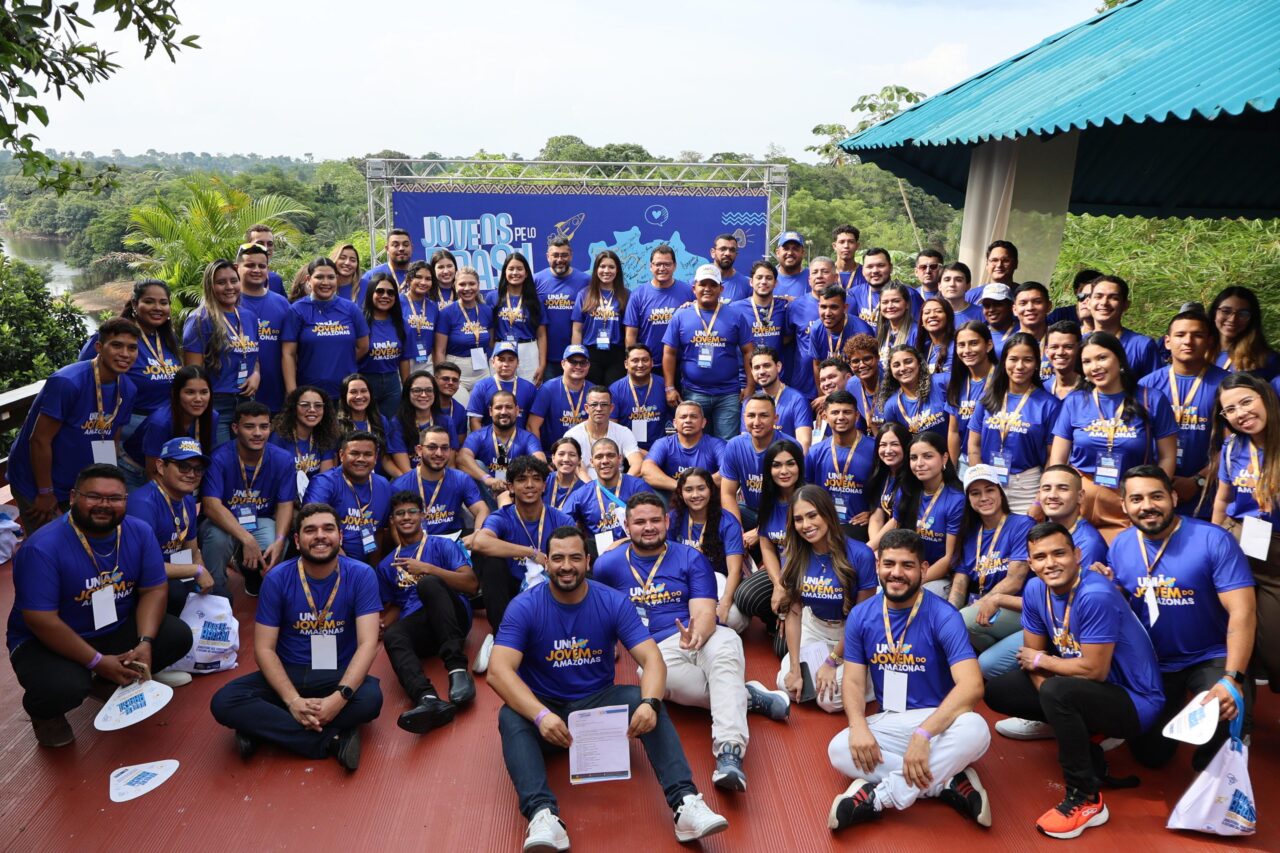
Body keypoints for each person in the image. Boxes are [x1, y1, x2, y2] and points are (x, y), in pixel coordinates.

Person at [488, 526, 729, 850]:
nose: (566, 565)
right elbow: (498, 671)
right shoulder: (525, 606)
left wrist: (650, 704)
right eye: (557, 558)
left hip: (598, 712)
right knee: (510, 717)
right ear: (546, 563)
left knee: (640, 698)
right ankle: (542, 815)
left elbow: (653, 660)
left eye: (575, 557)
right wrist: (541, 715)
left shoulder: (612, 601)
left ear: (588, 561)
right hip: (547, 713)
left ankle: (685, 803)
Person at [594, 493, 789, 792]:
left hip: (701, 634)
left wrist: (697, 633)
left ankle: (728, 753)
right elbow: (598, 610)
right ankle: (747, 696)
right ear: (627, 526)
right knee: (650, 678)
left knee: (727, 646)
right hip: (654, 651)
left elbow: (705, 611)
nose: (648, 527)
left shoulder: (689, 557)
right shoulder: (607, 566)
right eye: (640, 522)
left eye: (655, 520)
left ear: (667, 522)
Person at [984, 522, 1164, 840]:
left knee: (1056, 690)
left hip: (1135, 701)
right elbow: (1031, 654)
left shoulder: (1095, 594)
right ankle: (1080, 730)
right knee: (999, 690)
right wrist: (1051, 691)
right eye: (1040, 557)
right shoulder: (1037, 589)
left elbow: (1093, 670)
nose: (1050, 563)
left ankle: (1086, 799)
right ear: (1031, 562)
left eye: (1058, 553)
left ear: (1077, 554)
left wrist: (1045, 666)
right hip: (1081, 685)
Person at [8, 464, 194, 747]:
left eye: (115, 498)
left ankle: (107, 680)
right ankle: (45, 714)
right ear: (72, 497)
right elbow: (41, 621)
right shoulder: (42, 548)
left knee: (176, 636)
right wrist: (96, 661)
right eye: (93, 496)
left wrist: (144, 641)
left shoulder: (139, 532)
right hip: (45, 641)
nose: (104, 505)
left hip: (108, 625)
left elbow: (154, 588)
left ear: (125, 501)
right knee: (64, 687)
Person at [827, 528, 991, 832]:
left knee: (977, 728)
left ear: (924, 569)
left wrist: (923, 735)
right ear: (877, 566)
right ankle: (946, 782)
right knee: (838, 748)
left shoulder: (944, 616)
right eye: (889, 564)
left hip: (937, 724)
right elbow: (851, 681)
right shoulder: (862, 616)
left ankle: (882, 795)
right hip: (890, 720)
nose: (896, 573)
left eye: (907, 565)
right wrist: (858, 725)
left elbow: (972, 685)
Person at [210, 502, 383, 770]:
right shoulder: (277, 578)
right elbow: (264, 649)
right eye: (310, 530)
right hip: (288, 672)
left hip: (335, 671)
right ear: (297, 540)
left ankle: (263, 729)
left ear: (340, 535)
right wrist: (292, 701)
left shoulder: (362, 575)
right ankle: (331, 740)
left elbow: (368, 643)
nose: (320, 536)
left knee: (370, 699)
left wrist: (338, 698)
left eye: (328, 529)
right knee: (224, 701)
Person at [1109, 466, 1256, 770]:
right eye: (1136, 499)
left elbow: (1243, 611)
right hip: (1154, 662)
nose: (1147, 505)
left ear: (1174, 497)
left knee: (1224, 708)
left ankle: (1223, 755)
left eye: (1156, 496)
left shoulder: (1212, 539)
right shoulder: (1121, 545)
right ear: (1124, 505)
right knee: (1151, 756)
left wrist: (1233, 679)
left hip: (1210, 655)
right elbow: (1118, 600)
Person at [1049, 332, 1177, 540]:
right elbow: (1057, 460)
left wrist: (1150, 495)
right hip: (1080, 497)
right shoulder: (1074, 401)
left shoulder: (1151, 398)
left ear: (1119, 358)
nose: (1095, 367)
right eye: (1087, 362)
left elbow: (1167, 457)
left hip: (1128, 497)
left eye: (1102, 358)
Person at [377, 490, 479, 734]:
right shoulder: (386, 564)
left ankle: (457, 670)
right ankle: (427, 699)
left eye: (412, 511)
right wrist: (380, 626)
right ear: (392, 520)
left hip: (454, 619)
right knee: (394, 635)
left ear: (422, 515)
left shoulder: (443, 545)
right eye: (399, 513)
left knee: (428, 584)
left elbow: (471, 584)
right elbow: (396, 608)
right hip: (423, 629)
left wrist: (428, 568)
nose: (406, 517)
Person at [776, 486, 878, 713]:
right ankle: (819, 674)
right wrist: (794, 668)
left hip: (852, 633)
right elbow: (794, 614)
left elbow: (860, 619)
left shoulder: (860, 554)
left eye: (813, 515)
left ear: (828, 514)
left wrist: (832, 662)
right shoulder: (793, 554)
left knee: (828, 701)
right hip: (816, 627)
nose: (806, 525)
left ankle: (871, 678)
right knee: (787, 683)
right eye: (799, 519)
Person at [1210, 373, 1280, 699]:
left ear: (1265, 397)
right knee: (1233, 634)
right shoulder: (1232, 447)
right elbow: (1223, 499)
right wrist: (1213, 542)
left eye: (1246, 401)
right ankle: (1241, 721)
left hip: (1275, 550)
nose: (1241, 413)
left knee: (1272, 646)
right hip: (1238, 541)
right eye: (1231, 409)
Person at [471, 455, 575, 673]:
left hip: (549, 590)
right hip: (511, 593)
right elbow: (479, 541)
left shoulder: (560, 519)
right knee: (490, 562)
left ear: (544, 485)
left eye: (536, 479)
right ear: (510, 486)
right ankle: (502, 639)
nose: (529, 485)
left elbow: (573, 555)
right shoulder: (502, 517)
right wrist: (530, 552)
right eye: (521, 479)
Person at [79, 279, 181, 485]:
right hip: (123, 430)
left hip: (161, 429)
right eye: (150, 301)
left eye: (163, 302)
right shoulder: (115, 337)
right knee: (115, 488)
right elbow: (86, 377)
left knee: (156, 493)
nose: (158, 308)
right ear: (135, 304)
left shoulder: (168, 339)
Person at [199, 401, 297, 596]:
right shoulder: (219, 457)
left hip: (260, 520)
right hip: (222, 522)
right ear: (235, 428)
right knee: (217, 539)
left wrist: (279, 540)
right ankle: (214, 594)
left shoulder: (284, 459)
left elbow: (285, 505)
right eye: (249, 426)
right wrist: (247, 539)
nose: (258, 433)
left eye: (264, 426)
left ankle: (252, 579)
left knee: (273, 543)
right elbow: (211, 506)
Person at [1138, 309, 1228, 518]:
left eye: (1197, 335)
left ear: (1210, 342)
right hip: (1154, 491)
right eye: (1180, 335)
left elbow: (1234, 445)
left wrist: (1198, 480)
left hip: (1207, 493)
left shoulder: (1226, 385)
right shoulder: (1146, 385)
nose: (1188, 341)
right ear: (1167, 342)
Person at [127, 437, 226, 619]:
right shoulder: (143, 504)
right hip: (142, 582)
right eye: (183, 466)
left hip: (175, 570)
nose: (191, 474)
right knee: (176, 593)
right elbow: (142, 566)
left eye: (198, 469)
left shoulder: (187, 499)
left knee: (221, 595)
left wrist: (202, 576)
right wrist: (197, 571)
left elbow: (193, 551)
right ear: (160, 466)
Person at [949, 466, 1034, 666]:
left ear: (1000, 492)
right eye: (975, 493)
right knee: (953, 619)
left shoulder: (1022, 524)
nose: (984, 497)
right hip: (985, 609)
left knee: (963, 620)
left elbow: (1015, 580)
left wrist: (982, 604)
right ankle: (1004, 654)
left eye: (990, 490)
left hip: (1015, 606)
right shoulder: (970, 534)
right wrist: (949, 613)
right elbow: (960, 582)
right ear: (968, 499)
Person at [967, 332, 1061, 513]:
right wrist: (981, 483)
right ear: (1004, 362)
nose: (1019, 366)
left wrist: (1039, 500)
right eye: (1013, 359)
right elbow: (974, 445)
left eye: (1027, 360)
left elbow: (1052, 457)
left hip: (1027, 488)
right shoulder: (987, 400)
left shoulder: (1049, 405)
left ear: (1036, 364)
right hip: (989, 485)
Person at [662, 263, 755, 441]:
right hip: (693, 391)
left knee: (727, 444)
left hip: (728, 393)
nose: (707, 289)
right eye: (703, 284)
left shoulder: (735, 315)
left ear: (721, 288)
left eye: (713, 285)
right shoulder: (681, 315)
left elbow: (748, 352)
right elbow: (669, 353)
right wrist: (669, 387)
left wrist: (750, 386)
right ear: (694, 288)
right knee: (696, 442)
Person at [730, 440, 805, 655]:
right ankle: (777, 617)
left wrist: (789, 596)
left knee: (783, 650)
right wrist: (779, 585)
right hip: (782, 572)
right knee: (744, 596)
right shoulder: (769, 499)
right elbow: (767, 545)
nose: (784, 471)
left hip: (806, 576)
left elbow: (814, 555)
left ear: (799, 466)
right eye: (776, 465)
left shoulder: (809, 498)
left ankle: (791, 617)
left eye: (790, 464)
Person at [183, 260, 260, 445]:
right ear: (210, 286)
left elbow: (253, 356)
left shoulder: (248, 316)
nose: (229, 287)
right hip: (216, 405)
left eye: (234, 281)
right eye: (221, 282)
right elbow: (193, 374)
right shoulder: (200, 320)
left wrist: (256, 373)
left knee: (241, 461)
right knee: (219, 460)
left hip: (245, 402)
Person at [884, 432, 964, 595]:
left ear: (944, 458)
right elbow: (895, 530)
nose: (919, 463)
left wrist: (915, 580)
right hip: (904, 569)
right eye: (914, 458)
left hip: (938, 575)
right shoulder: (906, 491)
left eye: (927, 456)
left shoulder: (956, 499)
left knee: (921, 598)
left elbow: (949, 558)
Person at [668, 467, 747, 628]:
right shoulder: (673, 518)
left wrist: (725, 604)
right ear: (681, 493)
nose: (695, 495)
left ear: (711, 490)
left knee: (733, 618)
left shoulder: (728, 522)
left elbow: (735, 570)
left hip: (719, 582)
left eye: (701, 488)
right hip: (683, 581)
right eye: (689, 490)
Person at [282, 258, 371, 401]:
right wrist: (292, 393)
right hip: (310, 393)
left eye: (330, 277)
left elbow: (363, 346)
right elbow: (288, 354)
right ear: (308, 279)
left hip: (346, 393)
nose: (325, 282)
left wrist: (341, 361)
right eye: (319, 277)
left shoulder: (351, 309)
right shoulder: (297, 310)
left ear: (337, 279)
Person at [304, 431, 393, 562]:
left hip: (365, 565)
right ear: (341, 455)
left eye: (368, 454)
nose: (361, 459)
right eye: (354, 453)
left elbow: (379, 532)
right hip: (330, 561)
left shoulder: (383, 485)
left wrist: (373, 570)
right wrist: (350, 569)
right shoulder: (324, 483)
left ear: (375, 458)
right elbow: (313, 526)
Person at [390, 424, 487, 541]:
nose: (439, 453)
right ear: (419, 450)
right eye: (432, 447)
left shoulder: (461, 479)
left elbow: (482, 510)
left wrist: (476, 535)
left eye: (445, 448)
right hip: (417, 544)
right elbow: (394, 527)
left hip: (454, 541)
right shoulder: (401, 486)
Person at [563, 438, 655, 555]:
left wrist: (622, 542)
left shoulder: (639, 487)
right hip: (597, 558)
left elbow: (654, 524)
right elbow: (561, 524)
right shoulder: (581, 495)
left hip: (635, 553)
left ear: (619, 458)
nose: (605, 461)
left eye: (610, 455)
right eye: (599, 457)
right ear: (591, 462)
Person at [126, 363, 212, 488]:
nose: (198, 399)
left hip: (177, 472)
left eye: (204, 392)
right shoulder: (160, 422)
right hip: (138, 471)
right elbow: (153, 472)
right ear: (176, 394)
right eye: (190, 392)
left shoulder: (211, 417)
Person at [719, 393, 797, 530]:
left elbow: (793, 500)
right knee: (720, 521)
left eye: (763, 415)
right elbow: (727, 493)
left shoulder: (790, 447)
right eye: (751, 416)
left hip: (782, 514)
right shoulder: (734, 445)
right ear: (744, 419)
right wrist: (737, 531)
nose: (756, 422)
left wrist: (759, 532)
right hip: (749, 509)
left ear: (775, 419)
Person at [806, 391, 876, 538]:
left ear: (857, 416)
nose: (841, 417)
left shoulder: (875, 449)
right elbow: (807, 492)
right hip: (825, 527)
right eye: (835, 412)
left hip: (861, 528)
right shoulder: (814, 452)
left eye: (847, 412)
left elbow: (884, 489)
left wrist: (874, 512)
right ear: (825, 416)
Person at [458, 391, 544, 506]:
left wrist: (513, 484)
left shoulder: (528, 438)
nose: (504, 412)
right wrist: (488, 480)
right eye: (498, 407)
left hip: (516, 496)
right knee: (477, 464)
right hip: (486, 496)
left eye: (508, 407)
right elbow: (462, 458)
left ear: (517, 410)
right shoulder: (478, 435)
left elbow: (540, 460)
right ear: (490, 411)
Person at [236, 242, 291, 414]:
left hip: (276, 394)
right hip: (239, 394)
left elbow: (290, 350)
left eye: (262, 266)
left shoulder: (282, 303)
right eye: (250, 265)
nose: (256, 270)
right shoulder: (230, 303)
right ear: (237, 268)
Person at [790, 258, 857, 396]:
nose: (819, 275)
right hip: (804, 384)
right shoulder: (795, 306)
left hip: (841, 386)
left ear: (835, 277)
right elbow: (786, 340)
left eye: (824, 271)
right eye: (815, 272)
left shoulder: (851, 303)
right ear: (809, 279)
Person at [730, 260, 796, 391]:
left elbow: (789, 336)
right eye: (759, 277)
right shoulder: (735, 309)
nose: (763, 282)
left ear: (776, 283)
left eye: (769, 278)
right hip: (744, 382)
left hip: (776, 380)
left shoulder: (784, 306)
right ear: (751, 282)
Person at [533, 236, 590, 381]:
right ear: (547, 257)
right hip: (546, 358)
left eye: (564, 255)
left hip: (576, 358)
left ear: (571, 255)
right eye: (555, 255)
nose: (560, 259)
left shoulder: (585, 281)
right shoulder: (536, 280)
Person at [433, 266, 494, 401]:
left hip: (482, 372)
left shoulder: (487, 311)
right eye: (462, 284)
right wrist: (442, 377)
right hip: (456, 372)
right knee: (460, 413)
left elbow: (491, 342)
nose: (467, 288)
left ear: (478, 286)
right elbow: (439, 350)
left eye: (471, 284)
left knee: (480, 413)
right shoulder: (446, 313)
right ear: (455, 286)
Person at [625, 244, 694, 363]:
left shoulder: (688, 291)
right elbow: (631, 334)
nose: (662, 268)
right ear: (651, 267)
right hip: (648, 365)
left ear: (675, 266)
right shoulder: (638, 295)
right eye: (658, 264)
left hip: (680, 363)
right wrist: (633, 361)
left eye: (667, 264)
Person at [944, 322, 996, 475]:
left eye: (973, 343)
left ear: (989, 345)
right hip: (965, 464)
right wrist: (952, 472)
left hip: (996, 463)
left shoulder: (1003, 378)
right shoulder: (958, 382)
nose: (967, 350)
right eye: (961, 345)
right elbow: (953, 432)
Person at [571, 250, 629, 385]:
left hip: (616, 354)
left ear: (617, 270)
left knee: (613, 394)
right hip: (590, 354)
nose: (606, 271)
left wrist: (628, 355)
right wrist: (576, 356)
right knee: (592, 395)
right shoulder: (584, 294)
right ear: (596, 269)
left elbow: (629, 331)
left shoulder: (626, 295)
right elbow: (577, 330)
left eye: (611, 267)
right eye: (602, 266)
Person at [487, 253, 546, 384]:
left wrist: (542, 365)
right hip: (501, 350)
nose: (515, 273)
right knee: (500, 392)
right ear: (505, 272)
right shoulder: (492, 297)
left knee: (530, 391)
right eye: (511, 269)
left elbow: (541, 335)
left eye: (519, 269)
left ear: (526, 273)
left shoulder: (535, 300)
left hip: (528, 351)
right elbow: (489, 330)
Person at [642, 401, 726, 493]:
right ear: (674, 423)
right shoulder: (663, 443)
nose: (688, 420)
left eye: (693, 416)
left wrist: (693, 488)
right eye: (683, 417)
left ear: (703, 422)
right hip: (673, 496)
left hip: (707, 499)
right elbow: (647, 470)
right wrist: (680, 486)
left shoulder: (717, 445)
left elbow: (727, 473)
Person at [805, 284, 872, 399]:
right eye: (823, 307)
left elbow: (867, 371)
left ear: (845, 308)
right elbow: (817, 364)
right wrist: (823, 397)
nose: (827, 313)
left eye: (834, 307)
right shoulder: (816, 328)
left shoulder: (860, 331)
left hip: (859, 392)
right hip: (831, 390)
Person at [359, 272, 412, 417]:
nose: (385, 296)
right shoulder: (359, 321)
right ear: (371, 293)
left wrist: (407, 390)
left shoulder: (402, 324)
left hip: (392, 384)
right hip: (365, 382)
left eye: (390, 293)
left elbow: (404, 359)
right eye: (380, 291)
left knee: (391, 428)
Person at [1086, 275, 1161, 377]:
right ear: (1088, 302)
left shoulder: (1142, 346)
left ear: (1125, 305)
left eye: (1113, 298)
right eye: (1098, 296)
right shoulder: (1078, 343)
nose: (1104, 302)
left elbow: (1154, 388)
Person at [337, 372, 406, 479]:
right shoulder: (337, 425)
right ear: (344, 396)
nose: (359, 396)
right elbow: (333, 462)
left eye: (364, 391)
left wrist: (403, 479)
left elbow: (385, 459)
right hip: (347, 482)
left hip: (376, 482)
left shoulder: (380, 420)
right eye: (353, 392)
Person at [564, 385, 643, 477]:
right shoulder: (572, 435)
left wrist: (623, 485)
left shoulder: (623, 432)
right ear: (586, 408)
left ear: (611, 408)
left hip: (616, 486)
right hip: (584, 487)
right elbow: (577, 470)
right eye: (594, 404)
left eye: (604, 404)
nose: (599, 409)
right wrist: (593, 489)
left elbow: (637, 463)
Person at [270, 385, 339, 488]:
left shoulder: (326, 436)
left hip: (315, 497)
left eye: (318, 405)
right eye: (305, 405)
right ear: (294, 408)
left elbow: (325, 480)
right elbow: (275, 478)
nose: (312, 410)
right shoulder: (278, 437)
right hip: (284, 496)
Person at [747, 346, 813, 449]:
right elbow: (745, 442)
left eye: (767, 366)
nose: (762, 371)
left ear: (778, 366)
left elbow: (804, 444)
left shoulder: (797, 400)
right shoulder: (750, 403)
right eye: (757, 368)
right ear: (751, 371)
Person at [527, 345, 591, 449]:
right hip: (551, 457)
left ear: (588, 365)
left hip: (584, 458)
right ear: (563, 364)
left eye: (583, 362)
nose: (578, 366)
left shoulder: (593, 392)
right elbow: (532, 426)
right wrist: (540, 457)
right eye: (573, 362)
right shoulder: (548, 389)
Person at [609, 344, 670, 454]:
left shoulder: (664, 385)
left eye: (645, 360)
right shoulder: (615, 390)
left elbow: (674, 422)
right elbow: (611, 429)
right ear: (626, 364)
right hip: (627, 451)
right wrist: (639, 453)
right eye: (635, 360)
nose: (640, 365)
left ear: (652, 363)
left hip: (661, 451)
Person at [1210, 285, 1280, 380]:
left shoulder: (1266, 360)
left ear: (1252, 319)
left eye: (1243, 314)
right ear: (1214, 313)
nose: (1233, 319)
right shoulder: (1199, 353)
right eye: (1226, 311)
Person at [466, 341, 537, 431]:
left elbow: (532, 424)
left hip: (520, 442)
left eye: (511, 360)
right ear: (493, 362)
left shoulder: (529, 388)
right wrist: (483, 444)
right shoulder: (481, 386)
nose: (506, 364)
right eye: (501, 359)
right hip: (490, 442)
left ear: (518, 363)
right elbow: (475, 421)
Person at [881, 346, 949, 439]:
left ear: (919, 363)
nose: (903, 368)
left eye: (908, 362)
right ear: (890, 371)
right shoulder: (891, 406)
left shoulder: (942, 382)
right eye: (896, 365)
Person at [393, 370, 458, 465]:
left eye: (429, 390)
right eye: (417, 390)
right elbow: (405, 471)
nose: (423, 395)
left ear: (435, 393)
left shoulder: (446, 421)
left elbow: (450, 465)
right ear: (407, 393)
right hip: (410, 477)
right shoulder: (397, 423)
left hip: (441, 477)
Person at [849, 248, 921, 328]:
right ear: (863, 270)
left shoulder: (910, 294)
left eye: (881, 265)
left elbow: (919, 330)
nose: (875, 271)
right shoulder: (854, 294)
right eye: (870, 267)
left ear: (890, 268)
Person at [866, 422, 911, 551]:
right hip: (886, 543)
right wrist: (874, 550)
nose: (888, 450)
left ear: (906, 446)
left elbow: (896, 521)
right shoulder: (883, 475)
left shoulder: (911, 477)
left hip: (906, 544)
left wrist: (868, 550)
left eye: (894, 444)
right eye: (883, 445)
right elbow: (876, 516)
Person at [843, 334, 884, 435]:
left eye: (867, 359)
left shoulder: (891, 381)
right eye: (855, 361)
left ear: (877, 358)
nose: (861, 365)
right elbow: (859, 424)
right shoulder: (852, 385)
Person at [402, 261, 439, 368]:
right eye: (418, 277)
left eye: (428, 279)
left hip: (426, 363)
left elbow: (436, 344)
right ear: (409, 279)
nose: (423, 282)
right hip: (403, 362)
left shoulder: (433, 307)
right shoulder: (398, 303)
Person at [873, 282, 920, 367]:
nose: (890, 306)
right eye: (885, 302)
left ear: (907, 304)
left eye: (896, 301)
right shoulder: (882, 330)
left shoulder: (916, 332)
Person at [359, 228, 413, 293]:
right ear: (387, 249)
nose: (401, 248)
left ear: (412, 247)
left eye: (406, 245)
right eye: (396, 245)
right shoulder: (372, 275)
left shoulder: (420, 275)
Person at [814, 357, 855, 441]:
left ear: (848, 378)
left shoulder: (860, 402)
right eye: (822, 380)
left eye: (832, 377)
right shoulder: (820, 407)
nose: (827, 383)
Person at [544, 438, 589, 511]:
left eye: (572, 455)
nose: (566, 459)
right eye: (561, 454)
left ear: (579, 460)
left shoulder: (584, 490)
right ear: (553, 458)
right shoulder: (544, 480)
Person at [1044, 319, 1084, 400]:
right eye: (1054, 347)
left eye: (1068, 347)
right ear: (1046, 351)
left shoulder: (1091, 390)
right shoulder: (1043, 390)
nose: (1060, 352)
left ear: (1080, 349)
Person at [245, 223, 287, 296]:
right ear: (248, 245)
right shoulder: (234, 280)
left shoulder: (275, 280)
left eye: (270, 244)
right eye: (260, 243)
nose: (266, 248)